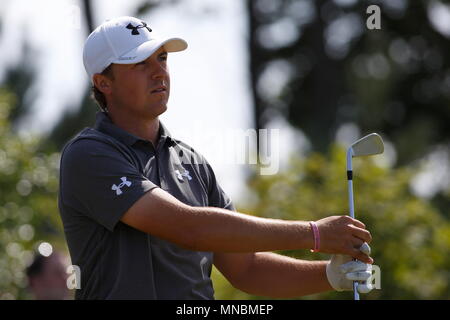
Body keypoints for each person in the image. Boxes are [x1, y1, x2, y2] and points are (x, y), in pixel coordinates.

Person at [58, 16, 374, 300]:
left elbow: (247, 268)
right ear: (103, 82)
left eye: (163, 59)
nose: (159, 73)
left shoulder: (190, 161)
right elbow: (188, 228)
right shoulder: (88, 154)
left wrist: (330, 275)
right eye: (140, 63)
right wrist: (314, 233)